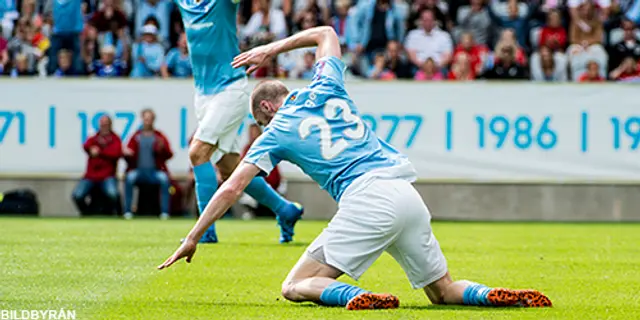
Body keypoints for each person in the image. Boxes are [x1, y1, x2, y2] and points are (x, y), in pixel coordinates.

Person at [158, 26, 553, 311]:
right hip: (405, 193)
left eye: (259, 123)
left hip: (366, 199)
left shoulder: (276, 130)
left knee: (294, 286)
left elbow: (229, 188)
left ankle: (353, 296)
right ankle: (489, 295)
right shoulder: (326, 85)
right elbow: (326, 32)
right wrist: (272, 49)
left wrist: (193, 236)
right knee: (443, 291)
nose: (260, 130)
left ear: (266, 108)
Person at [174, 0, 303, 243]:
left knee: (198, 152)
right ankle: (286, 209)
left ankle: (206, 232)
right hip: (202, 94)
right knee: (229, 168)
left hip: (230, 89)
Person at [123, 109, 173, 220]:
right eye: (146, 119)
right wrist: (128, 154)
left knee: (164, 179)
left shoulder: (159, 136)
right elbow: (128, 153)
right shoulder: (136, 136)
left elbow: (169, 154)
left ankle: (165, 212)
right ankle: (127, 211)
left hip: (154, 171)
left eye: (150, 119)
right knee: (129, 178)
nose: (148, 122)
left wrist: (162, 149)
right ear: (142, 120)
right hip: (139, 170)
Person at [72, 115, 122, 215]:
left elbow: (116, 153)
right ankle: (87, 213)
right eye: (102, 123)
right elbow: (86, 146)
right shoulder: (94, 138)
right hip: (91, 176)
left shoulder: (115, 139)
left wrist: (100, 152)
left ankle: (117, 214)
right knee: (77, 195)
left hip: (108, 176)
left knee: (113, 194)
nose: (104, 125)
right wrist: (93, 149)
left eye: (106, 123)